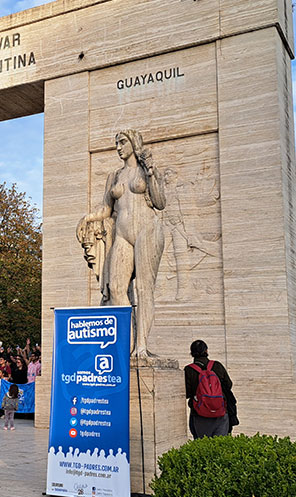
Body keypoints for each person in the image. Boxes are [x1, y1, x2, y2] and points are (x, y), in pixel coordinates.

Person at [77, 130, 165, 357]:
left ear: (134, 143)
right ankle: (126, 346)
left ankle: (141, 346)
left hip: (147, 229)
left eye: (122, 142)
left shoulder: (146, 170)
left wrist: (151, 174)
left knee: (144, 288)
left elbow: (160, 202)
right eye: (116, 143)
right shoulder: (114, 176)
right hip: (123, 234)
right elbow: (106, 209)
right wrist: (88, 218)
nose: (118, 147)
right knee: (116, 288)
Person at [184, 340, 232, 438]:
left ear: (192, 353)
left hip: (199, 415)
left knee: (202, 444)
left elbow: (186, 393)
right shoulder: (217, 365)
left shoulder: (189, 370)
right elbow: (228, 385)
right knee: (221, 443)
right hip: (220, 413)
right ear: (206, 350)